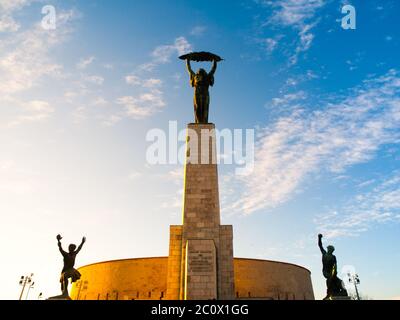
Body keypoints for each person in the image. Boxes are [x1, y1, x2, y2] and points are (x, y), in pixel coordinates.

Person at [186, 59, 217, 123]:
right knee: (197, 107)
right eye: (199, 72)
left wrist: (214, 61)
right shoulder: (195, 77)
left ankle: (204, 122)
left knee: (205, 108)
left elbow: (213, 69)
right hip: (197, 94)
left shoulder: (207, 78)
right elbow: (189, 69)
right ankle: (198, 122)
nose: (200, 73)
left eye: (201, 72)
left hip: (205, 95)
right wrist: (187, 61)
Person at [318, 234, 348, 299]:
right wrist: (319, 238)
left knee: (339, 281)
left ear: (332, 250)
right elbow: (320, 245)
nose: (330, 250)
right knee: (329, 280)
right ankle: (329, 293)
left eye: (331, 249)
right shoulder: (324, 253)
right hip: (325, 271)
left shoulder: (333, 257)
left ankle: (342, 291)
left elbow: (335, 265)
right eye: (329, 249)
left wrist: (335, 271)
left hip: (332, 271)